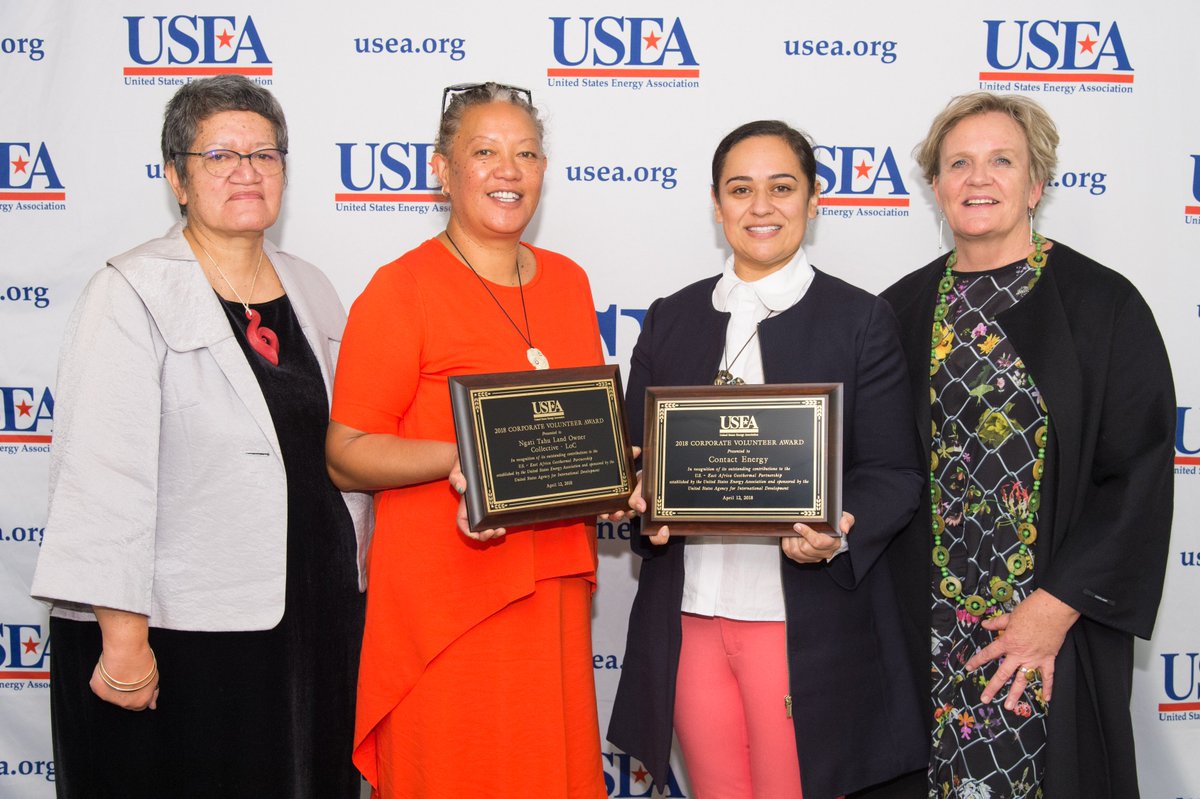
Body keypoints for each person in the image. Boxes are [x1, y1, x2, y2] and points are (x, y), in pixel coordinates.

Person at [30, 74, 370, 798]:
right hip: (186, 632)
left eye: (265, 154)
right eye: (219, 156)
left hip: (314, 616)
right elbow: (101, 475)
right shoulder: (130, 289)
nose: (247, 171)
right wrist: (124, 638)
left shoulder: (312, 287)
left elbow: (347, 444)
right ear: (177, 179)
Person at [606, 120, 928, 799]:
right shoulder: (670, 317)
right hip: (688, 617)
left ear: (813, 200)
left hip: (800, 622)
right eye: (740, 189)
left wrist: (839, 527)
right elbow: (635, 463)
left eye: (782, 187)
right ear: (716, 203)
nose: (761, 206)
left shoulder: (860, 318)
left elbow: (893, 474)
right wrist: (641, 506)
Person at [873, 92, 1175, 798]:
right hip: (924, 631)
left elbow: (1137, 473)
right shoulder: (897, 312)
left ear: (1036, 183)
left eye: (1001, 161)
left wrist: (1059, 604)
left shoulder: (1103, 305)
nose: (978, 178)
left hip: (1048, 631)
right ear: (937, 186)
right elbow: (874, 467)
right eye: (959, 164)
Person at [325, 82, 609, 798]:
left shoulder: (570, 281)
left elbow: (579, 431)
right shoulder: (401, 289)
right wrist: (465, 457)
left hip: (551, 590)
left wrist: (618, 474)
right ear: (442, 170)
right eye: (484, 152)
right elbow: (345, 452)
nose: (508, 170)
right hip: (445, 604)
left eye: (527, 154)